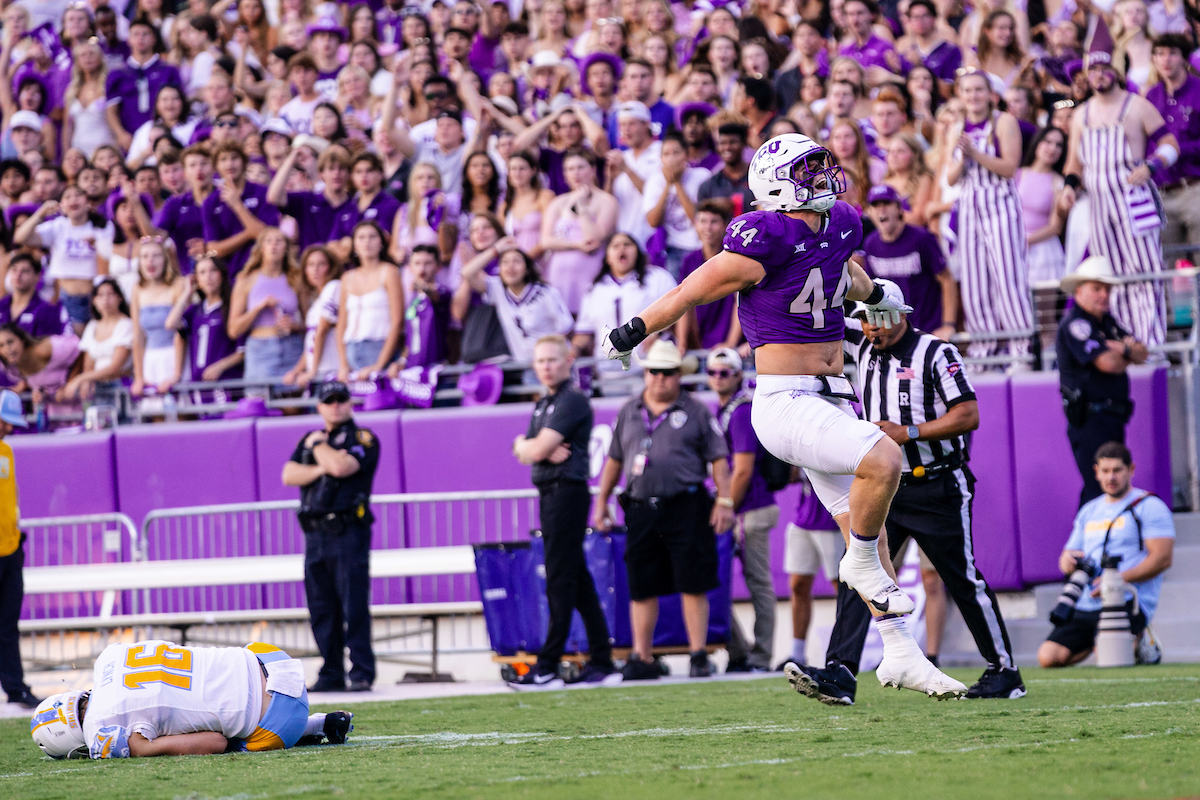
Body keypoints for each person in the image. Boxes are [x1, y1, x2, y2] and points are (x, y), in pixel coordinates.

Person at [602, 132, 966, 698]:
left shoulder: (840, 222)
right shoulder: (764, 233)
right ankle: (866, 571)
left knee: (866, 527)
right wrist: (634, 330)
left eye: (824, 165)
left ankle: (900, 652)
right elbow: (692, 292)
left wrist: (876, 297)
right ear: (778, 183)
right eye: (810, 169)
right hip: (786, 400)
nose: (825, 177)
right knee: (884, 463)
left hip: (834, 392)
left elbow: (846, 277)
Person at [789, 288, 1024, 705]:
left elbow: (968, 414)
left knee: (962, 578)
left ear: (899, 315)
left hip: (937, 482)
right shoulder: (862, 348)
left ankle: (1004, 670)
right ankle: (840, 673)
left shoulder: (936, 352)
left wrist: (908, 432)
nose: (870, 329)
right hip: (887, 487)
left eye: (877, 319)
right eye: (864, 320)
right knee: (860, 573)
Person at [593, 340, 734, 680]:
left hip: (685, 504)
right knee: (642, 584)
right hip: (640, 507)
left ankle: (698, 654)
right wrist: (601, 501)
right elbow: (614, 459)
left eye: (668, 372)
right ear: (645, 373)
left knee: (692, 581)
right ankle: (642, 656)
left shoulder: (696, 410)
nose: (660, 378)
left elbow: (718, 459)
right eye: (654, 371)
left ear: (679, 376)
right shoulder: (628, 410)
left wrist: (724, 500)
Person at [1060, 18, 1179, 346]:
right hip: (1099, 205)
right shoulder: (1081, 114)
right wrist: (1070, 185)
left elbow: (1171, 143)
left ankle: (1151, 344)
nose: (1098, 75)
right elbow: (1074, 161)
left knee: (1145, 271)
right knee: (1108, 276)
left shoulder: (1136, 105)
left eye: (1103, 68)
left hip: (1133, 200)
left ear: (1115, 70)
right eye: (1092, 70)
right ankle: (1124, 343)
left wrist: (1153, 166)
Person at [510, 335, 618, 689]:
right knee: (577, 579)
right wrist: (531, 447)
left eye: (552, 360)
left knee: (559, 578)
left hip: (566, 493)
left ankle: (549, 665)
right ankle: (602, 660)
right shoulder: (545, 403)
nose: (545, 367)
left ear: (568, 361)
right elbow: (525, 449)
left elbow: (536, 448)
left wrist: (535, 447)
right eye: (540, 361)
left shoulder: (572, 400)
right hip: (551, 494)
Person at [30, 640, 354, 759]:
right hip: (272, 658)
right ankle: (322, 723)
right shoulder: (108, 657)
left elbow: (214, 742)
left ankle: (310, 725)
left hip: (281, 720)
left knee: (232, 742)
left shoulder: (100, 733)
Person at [1038, 442, 1175, 668]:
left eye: (1117, 470)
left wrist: (1119, 580)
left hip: (1126, 600)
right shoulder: (1089, 510)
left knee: (1113, 660)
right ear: (1096, 472)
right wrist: (1068, 562)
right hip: (1086, 601)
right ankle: (1099, 643)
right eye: (1105, 471)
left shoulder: (1149, 505)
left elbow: (1162, 558)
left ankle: (1138, 640)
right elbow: (1067, 557)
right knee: (1048, 657)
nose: (1111, 477)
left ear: (1131, 469)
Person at [282, 380, 380, 693]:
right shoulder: (308, 439)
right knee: (322, 608)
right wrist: (320, 465)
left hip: (347, 531)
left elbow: (341, 467)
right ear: (320, 406)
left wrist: (318, 449)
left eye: (341, 399)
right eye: (329, 400)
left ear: (350, 403)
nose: (335, 405)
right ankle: (331, 671)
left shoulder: (362, 438)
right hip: (315, 534)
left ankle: (362, 671)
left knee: (353, 605)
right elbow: (288, 474)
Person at [946, 69, 1034, 365]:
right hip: (969, 205)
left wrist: (975, 152)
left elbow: (1010, 167)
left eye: (978, 90)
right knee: (975, 282)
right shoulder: (957, 126)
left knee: (1008, 277)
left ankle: (1022, 350)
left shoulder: (1004, 121)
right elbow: (950, 178)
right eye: (967, 90)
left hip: (1000, 203)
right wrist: (962, 157)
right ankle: (985, 353)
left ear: (990, 94)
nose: (973, 96)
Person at [707, 347, 779, 673]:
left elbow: (743, 469)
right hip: (742, 509)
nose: (718, 378)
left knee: (758, 584)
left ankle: (760, 655)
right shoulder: (726, 410)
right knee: (717, 581)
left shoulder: (739, 412)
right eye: (713, 372)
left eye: (725, 372)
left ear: (738, 374)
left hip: (750, 510)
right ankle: (739, 649)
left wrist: (727, 506)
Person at [1057, 256, 1150, 506]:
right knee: (1100, 490)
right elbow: (1107, 364)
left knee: (1106, 491)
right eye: (1096, 288)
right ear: (1079, 291)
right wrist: (1126, 350)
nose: (1104, 295)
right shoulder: (1076, 323)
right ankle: (1085, 544)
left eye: (1107, 289)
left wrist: (1121, 349)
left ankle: (1090, 544)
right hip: (1091, 420)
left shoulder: (1106, 322)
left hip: (1112, 418)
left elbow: (1142, 351)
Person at [13, 186, 113, 334]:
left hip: (96, 297)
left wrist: (97, 245)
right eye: (67, 197)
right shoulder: (57, 226)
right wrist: (40, 213)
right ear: (62, 207)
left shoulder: (103, 226)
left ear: (88, 203)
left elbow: (108, 261)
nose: (73, 199)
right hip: (65, 298)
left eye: (78, 195)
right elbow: (20, 237)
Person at [862, 185, 957, 340]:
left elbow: (947, 280)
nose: (881, 210)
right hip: (892, 335)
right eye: (875, 206)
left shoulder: (922, 238)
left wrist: (948, 324)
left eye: (886, 204)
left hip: (926, 331)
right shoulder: (870, 244)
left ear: (900, 209)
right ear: (870, 212)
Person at [781, 476, 844, 669]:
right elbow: (790, 476)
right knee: (798, 584)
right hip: (804, 516)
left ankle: (847, 653)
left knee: (843, 589)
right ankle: (797, 654)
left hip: (833, 519)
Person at [228, 228, 305, 384]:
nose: (274, 245)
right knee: (259, 403)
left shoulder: (296, 279)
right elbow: (233, 330)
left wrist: (294, 326)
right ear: (261, 247)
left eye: (279, 241)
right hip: (260, 348)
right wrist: (258, 308)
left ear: (286, 247)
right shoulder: (246, 280)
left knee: (293, 405)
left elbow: (310, 323)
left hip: (292, 347)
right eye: (269, 241)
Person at [1146, 34, 1200, 251]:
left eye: (1172, 53)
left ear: (1185, 59)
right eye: (1160, 53)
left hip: (1194, 189)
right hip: (1162, 192)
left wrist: (1173, 151)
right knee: (1169, 265)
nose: (1165, 59)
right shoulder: (1151, 95)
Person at [0, 389, 35, 708]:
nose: (8, 428)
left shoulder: (6, 453)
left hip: (10, 549)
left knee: (8, 624)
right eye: (4, 421)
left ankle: (15, 686)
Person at [337, 221, 405, 381]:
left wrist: (379, 365)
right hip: (351, 348)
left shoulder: (390, 272)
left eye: (372, 237)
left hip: (379, 346)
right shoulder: (347, 277)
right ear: (354, 245)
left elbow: (397, 321)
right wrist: (343, 364)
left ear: (381, 243)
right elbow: (341, 323)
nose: (367, 241)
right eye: (361, 237)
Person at [0, 252, 67, 337]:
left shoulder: (47, 310)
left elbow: (46, 346)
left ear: (37, 276)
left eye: (25, 271)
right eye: (14, 269)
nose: (18, 275)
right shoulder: (1, 305)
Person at [697, 123, 753, 216]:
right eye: (723, 143)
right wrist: (713, 207)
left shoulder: (757, 178)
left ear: (744, 143)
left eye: (733, 142)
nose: (727, 147)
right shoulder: (709, 185)